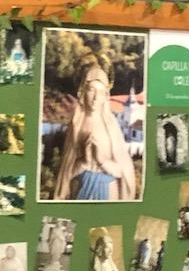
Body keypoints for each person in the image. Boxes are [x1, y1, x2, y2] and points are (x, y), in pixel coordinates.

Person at [53, 55, 137, 201]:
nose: (95, 97)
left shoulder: (111, 126)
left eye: (101, 92)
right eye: (91, 90)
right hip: (80, 190)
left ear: (106, 96)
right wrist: (83, 163)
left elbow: (123, 172)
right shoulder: (76, 125)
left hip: (108, 190)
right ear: (82, 92)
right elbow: (66, 173)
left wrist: (102, 161)